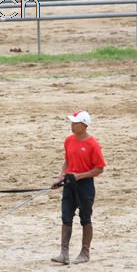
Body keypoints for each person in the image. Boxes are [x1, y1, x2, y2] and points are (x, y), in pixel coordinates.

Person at [51, 110, 106, 264]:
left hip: (85, 185)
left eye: (75, 123)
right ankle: (64, 253)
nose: (72, 125)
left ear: (84, 125)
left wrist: (80, 176)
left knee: (85, 218)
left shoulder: (93, 144)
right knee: (66, 216)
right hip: (69, 183)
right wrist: (60, 176)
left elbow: (99, 168)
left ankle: (85, 253)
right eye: (72, 122)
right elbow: (67, 161)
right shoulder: (69, 140)